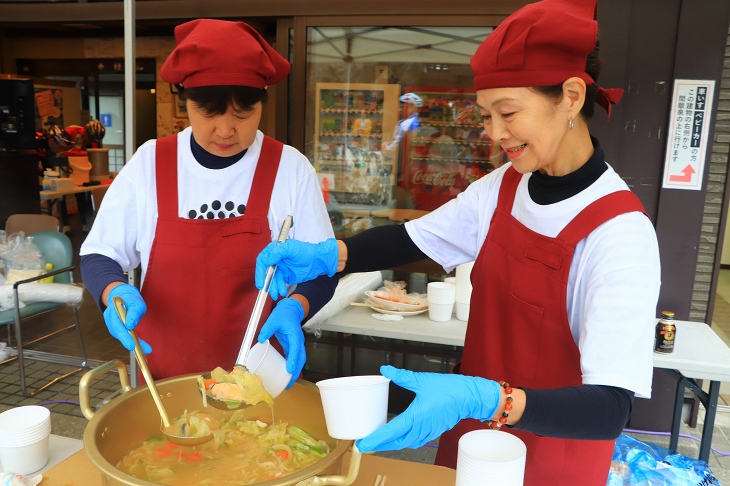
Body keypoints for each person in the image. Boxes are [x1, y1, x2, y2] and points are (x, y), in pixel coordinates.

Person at [254, 0, 660, 484]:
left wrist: (486, 399)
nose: (494, 135)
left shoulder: (619, 231)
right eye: (486, 115)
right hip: (470, 439)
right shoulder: (505, 186)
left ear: (571, 96)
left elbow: (609, 408)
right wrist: (330, 256)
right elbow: (412, 239)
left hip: (551, 460)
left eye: (507, 113)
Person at [80, 19, 336, 386]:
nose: (226, 130)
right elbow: (99, 254)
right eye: (209, 112)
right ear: (186, 102)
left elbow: (322, 269)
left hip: (262, 377)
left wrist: (297, 306)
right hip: (166, 383)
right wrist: (112, 290)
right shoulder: (151, 163)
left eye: (242, 113)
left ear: (262, 103)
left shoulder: (290, 169)